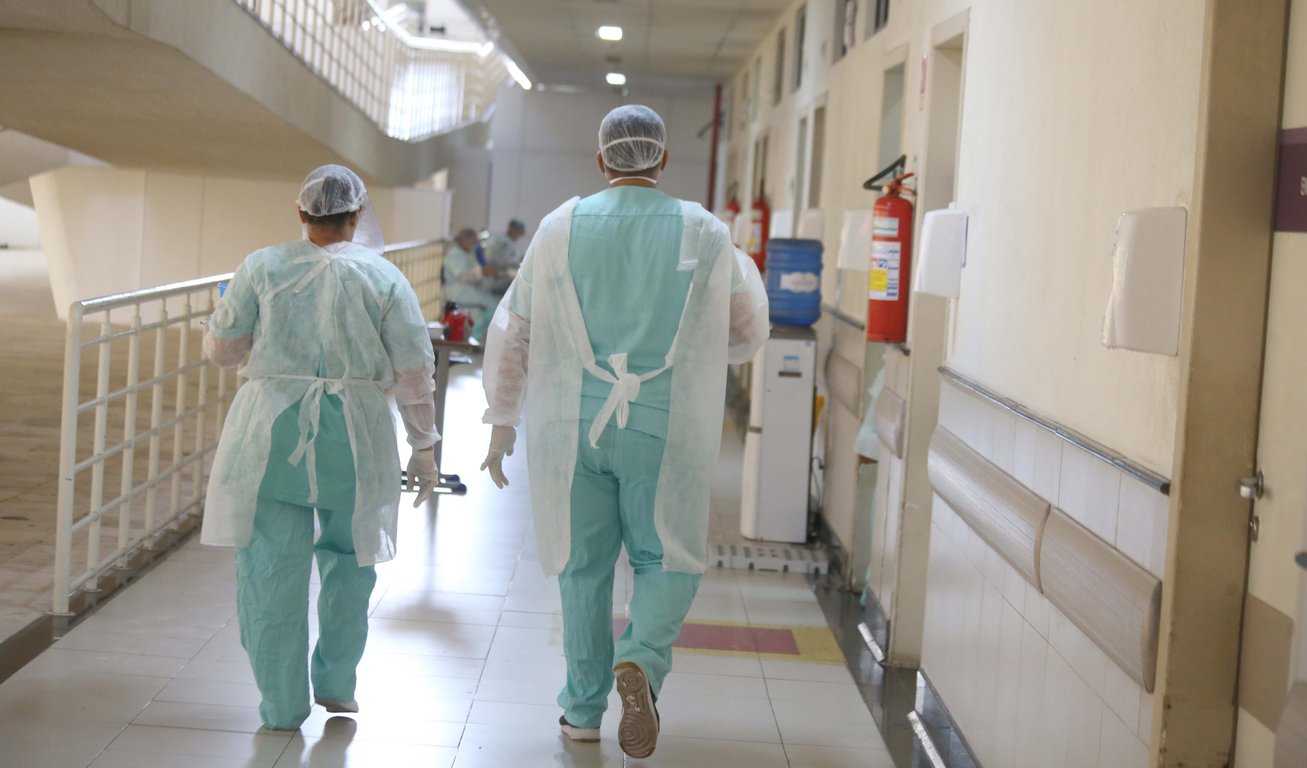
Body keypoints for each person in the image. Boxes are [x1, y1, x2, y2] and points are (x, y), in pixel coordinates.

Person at [479, 105, 769, 758]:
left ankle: (581, 712)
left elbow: (514, 331)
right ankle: (639, 657)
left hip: (572, 427)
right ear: (663, 159)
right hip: (664, 426)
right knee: (666, 557)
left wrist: (501, 420)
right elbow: (747, 331)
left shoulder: (559, 228)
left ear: (600, 160)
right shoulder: (702, 230)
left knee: (582, 568)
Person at [201, 165, 441, 731]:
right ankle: (336, 684)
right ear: (357, 215)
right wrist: (423, 445)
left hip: (270, 433)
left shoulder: (262, 266)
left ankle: (282, 705)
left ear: (301, 212)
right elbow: (413, 369)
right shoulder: (383, 278)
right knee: (351, 563)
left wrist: (224, 317)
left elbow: (223, 351)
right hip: (354, 435)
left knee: (269, 567)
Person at [442, 227, 500, 342]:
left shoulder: (467, 253)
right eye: (474, 241)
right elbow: (463, 276)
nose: (476, 244)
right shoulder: (455, 255)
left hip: (470, 290)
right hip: (459, 293)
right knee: (492, 308)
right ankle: (473, 340)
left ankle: (478, 338)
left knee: (495, 306)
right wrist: (482, 271)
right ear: (466, 240)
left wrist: (483, 271)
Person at [483, 218, 526, 293]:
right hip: (496, 279)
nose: (518, 237)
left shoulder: (506, 241)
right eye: (518, 233)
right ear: (513, 230)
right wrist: (520, 261)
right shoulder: (503, 242)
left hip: (499, 276)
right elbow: (502, 261)